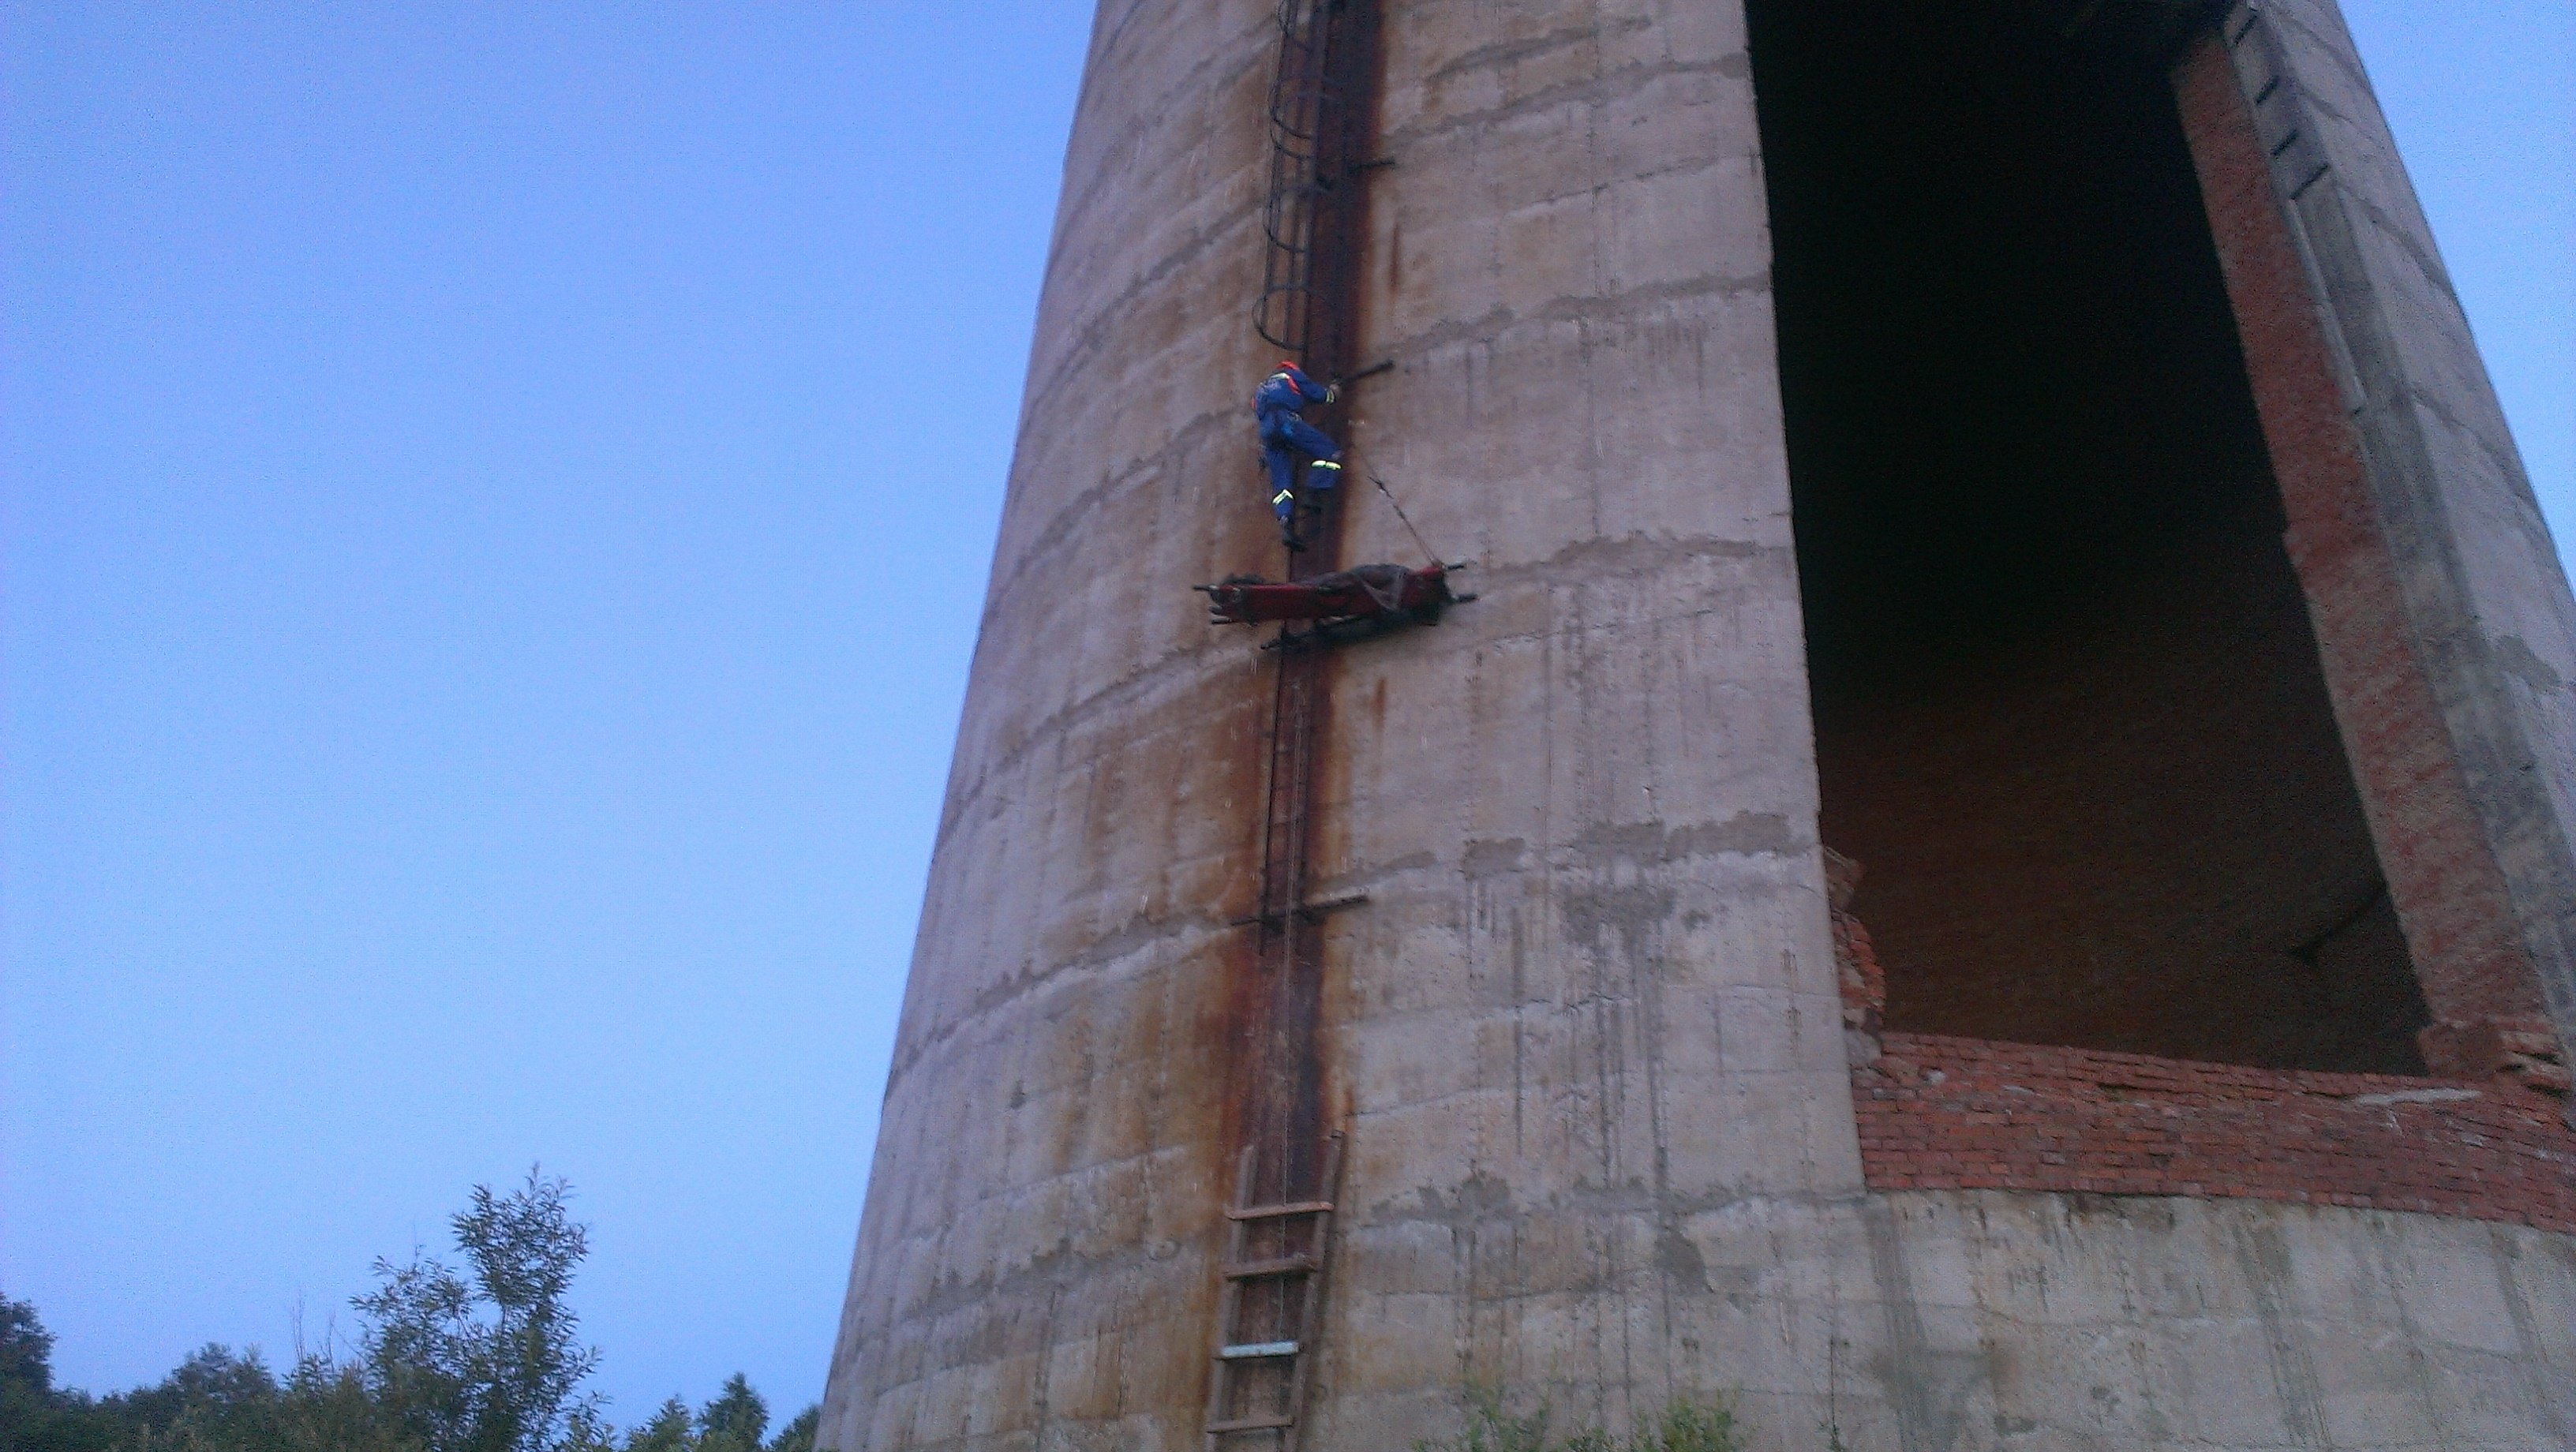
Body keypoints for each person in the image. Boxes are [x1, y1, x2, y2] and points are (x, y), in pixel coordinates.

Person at [1254, 361, 1343, 549]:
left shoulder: (1262, 389)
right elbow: (1318, 394)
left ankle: (1287, 525)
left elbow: (1259, 412)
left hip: (1268, 436)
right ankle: (1313, 493)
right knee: (1330, 452)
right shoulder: (1291, 375)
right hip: (1286, 424)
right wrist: (1333, 392)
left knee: (1282, 484)